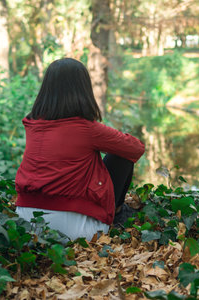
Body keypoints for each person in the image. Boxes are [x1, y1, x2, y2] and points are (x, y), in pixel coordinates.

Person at [15, 58, 145, 240]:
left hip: (27, 221)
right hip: (74, 228)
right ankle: (117, 213)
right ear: (83, 89)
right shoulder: (87, 129)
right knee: (121, 155)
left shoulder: (32, 123)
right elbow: (135, 148)